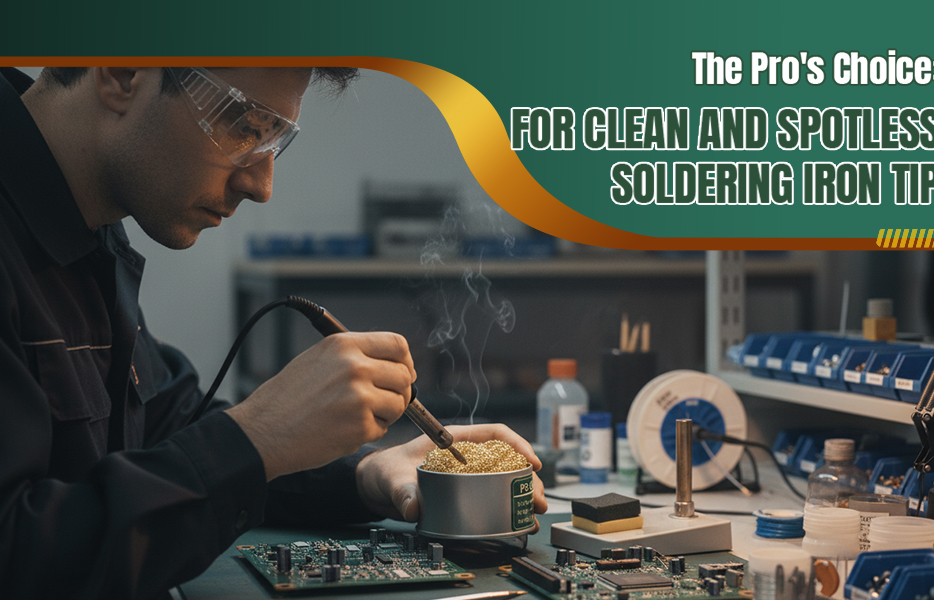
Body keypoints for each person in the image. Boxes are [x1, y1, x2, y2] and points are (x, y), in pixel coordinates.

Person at [0, 66, 547, 599]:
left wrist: (360, 475)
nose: (260, 185)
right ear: (122, 73)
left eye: (273, 142)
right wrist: (255, 438)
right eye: (241, 124)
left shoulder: (88, 229)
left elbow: (164, 420)